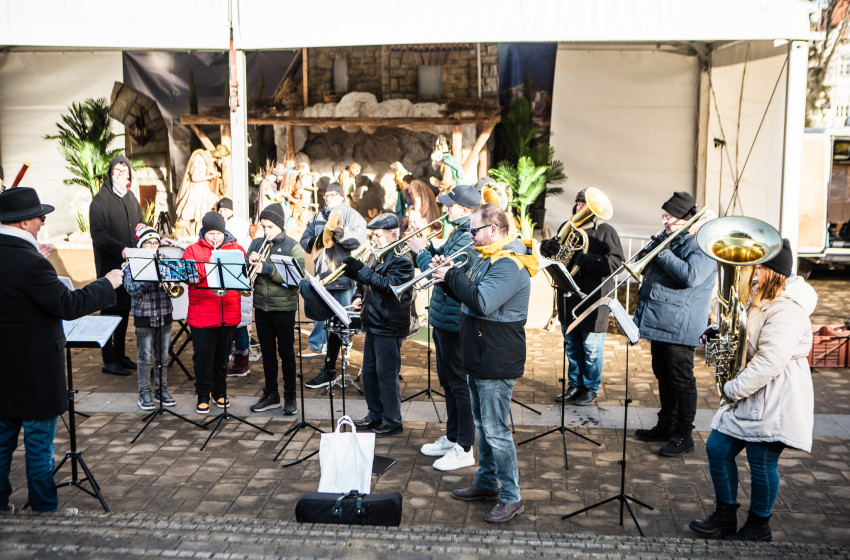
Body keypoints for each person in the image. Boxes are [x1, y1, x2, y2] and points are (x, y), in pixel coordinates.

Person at [0, 187, 122, 513]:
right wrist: (107, 283)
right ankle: (43, 509)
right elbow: (68, 304)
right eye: (40, 216)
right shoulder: (32, 265)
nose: (43, 221)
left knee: (1, 444)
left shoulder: (22, 258)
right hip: (34, 372)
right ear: (25, 222)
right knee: (39, 446)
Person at [689, 239, 816, 542]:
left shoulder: (786, 310)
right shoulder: (757, 296)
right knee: (717, 449)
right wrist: (718, 331)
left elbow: (771, 360)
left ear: (774, 272)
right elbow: (743, 330)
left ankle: (759, 526)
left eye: (758, 266)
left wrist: (732, 389)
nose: (752, 271)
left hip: (774, 397)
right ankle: (724, 517)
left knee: (761, 462)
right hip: (750, 394)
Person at [432, 203, 538, 523]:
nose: (471, 235)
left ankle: (511, 496)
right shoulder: (487, 256)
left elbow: (482, 301)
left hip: (495, 355)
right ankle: (487, 482)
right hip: (479, 353)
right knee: (483, 425)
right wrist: (446, 277)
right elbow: (468, 295)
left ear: (493, 230)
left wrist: (452, 274)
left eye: (474, 230)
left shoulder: (508, 263)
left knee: (496, 430)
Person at [632, 191, 716, 457]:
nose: (665, 222)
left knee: (682, 380)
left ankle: (684, 435)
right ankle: (666, 424)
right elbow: (640, 265)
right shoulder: (672, 239)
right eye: (664, 216)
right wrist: (652, 250)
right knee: (664, 375)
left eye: (669, 217)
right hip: (661, 320)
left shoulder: (702, 243)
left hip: (681, 325)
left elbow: (691, 276)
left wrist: (664, 252)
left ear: (685, 219)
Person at [407, 184, 480, 470]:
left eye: (450, 205)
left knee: (458, 384)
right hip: (442, 318)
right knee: (448, 382)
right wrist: (426, 245)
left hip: (454, 321)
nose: (446, 209)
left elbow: (444, 272)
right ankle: (453, 437)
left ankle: (465, 447)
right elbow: (442, 258)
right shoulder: (457, 232)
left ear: (464, 210)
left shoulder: (468, 237)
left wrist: (420, 252)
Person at [539, 189, 624, 406]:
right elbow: (555, 256)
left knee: (591, 348)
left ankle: (590, 387)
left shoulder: (607, 232)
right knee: (572, 345)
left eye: (584, 204)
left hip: (594, 299)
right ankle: (575, 384)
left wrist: (582, 258)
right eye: (578, 203)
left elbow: (615, 264)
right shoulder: (568, 227)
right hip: (569, 298)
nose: (580, 207)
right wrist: (547, 246)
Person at [343, 213, 414, 436]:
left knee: (386, 374)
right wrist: (357, 294)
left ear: (394, 235)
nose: (373, 239)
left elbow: (389, 286)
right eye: (372, 235)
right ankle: (374, 414)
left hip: (389, 323)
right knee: (371, 373)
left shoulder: (402, 259)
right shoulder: (376, 255)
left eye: (377, 235)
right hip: (373, 321)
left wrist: (361, 272)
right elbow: (366, 282)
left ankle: (392, 420)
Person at [299, 182, 367, 383]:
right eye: (325, 194)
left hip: (343, 275)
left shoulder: (351, 215)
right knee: (322, 316)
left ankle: (341, 351)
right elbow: (305, 238)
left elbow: (359, 238)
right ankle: (318, 345)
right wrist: (314, 242)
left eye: (331, 195)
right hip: (322, 274)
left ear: (340, 196)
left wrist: (342, 236)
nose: (327, 198)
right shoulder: (318, 215)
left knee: (342, 318)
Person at [247, 203, 306, 416]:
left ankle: (290, 395)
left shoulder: (293, 247)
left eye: (270, 227)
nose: (266, 231)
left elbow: (295, 279)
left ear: (280, 225)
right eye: (263, 226)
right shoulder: (256, 243)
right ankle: (271, 394)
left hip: (283, 308)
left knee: (287, 352)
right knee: (268, 353)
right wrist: (249, 261)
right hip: (261, 307)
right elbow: (246, 272)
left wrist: (267, 269)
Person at [182, 211, 244, 414]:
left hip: (228, 311)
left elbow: (241, 276)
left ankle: (220, 391)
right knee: (202, 357)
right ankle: (202, 394)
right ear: (203, 233)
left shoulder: (236, 249)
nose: (215, 237)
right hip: (201, 314)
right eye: (210, 233)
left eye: (218, 232)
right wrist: (210, 266)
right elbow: (188, 275)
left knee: (222, 357)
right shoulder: (192, 250)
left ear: (224, 231)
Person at [89, 155, 145, 377]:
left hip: (130, 267)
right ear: (110, 174)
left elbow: (140, 225)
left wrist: (151, 238)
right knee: (110, 311)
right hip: (111, 265)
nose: (121, 175)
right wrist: (121, 249)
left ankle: (120, 355)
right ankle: (108, 358)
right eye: (117, 171)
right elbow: (99, 235)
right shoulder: (100, 201)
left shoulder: (130, 197)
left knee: (123, 311)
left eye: (125, 171)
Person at [123, 226, 176, 410]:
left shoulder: (165, 260)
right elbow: (131, 289)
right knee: (145, 358)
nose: (152, 246)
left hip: (164, 314)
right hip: (144, 316)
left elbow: (176, 281)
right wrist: (150, 276)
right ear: (141, 246)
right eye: (148, 243)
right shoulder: (131, 264)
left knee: (163, 357)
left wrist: (171, 278)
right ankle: (144, 392)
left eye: (155, 243)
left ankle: (162, 390)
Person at [217, 197, 253, 377]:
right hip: (234, 290)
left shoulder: (235, 230)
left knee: (240, 326)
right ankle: (240, 360)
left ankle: (241, 363)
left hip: (238, 290)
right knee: (240, 326)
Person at [175, 148, 222, 237]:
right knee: (188, 213)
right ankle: (181, 233)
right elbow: (195, 177)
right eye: (216, 159)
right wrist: (210, 177)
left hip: (201, 190)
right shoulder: (199, 159)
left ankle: (198, 233)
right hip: (196, 191)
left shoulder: (206, 160)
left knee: (201, 214)